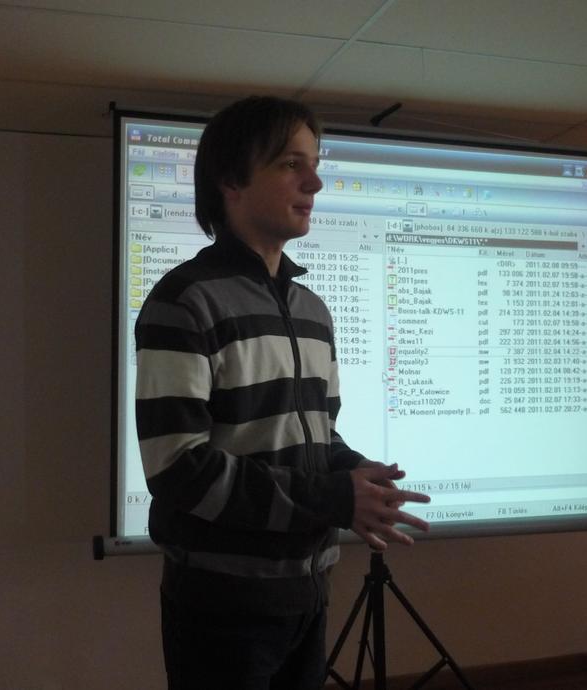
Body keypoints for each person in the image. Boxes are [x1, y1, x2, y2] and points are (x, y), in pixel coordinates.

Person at [134, 95, 431, 689]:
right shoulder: (184, 302)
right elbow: (179, 471)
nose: (315, 183)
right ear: (231, 180)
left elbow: (318, 436)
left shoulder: (312, 311)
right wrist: (333, 497)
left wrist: (355, 475)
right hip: (220, 606)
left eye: (315, 165)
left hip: (309, 589)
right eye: (292, 164)